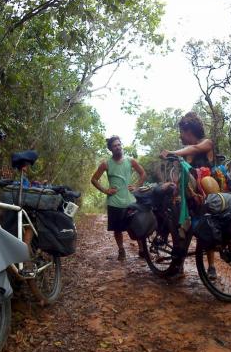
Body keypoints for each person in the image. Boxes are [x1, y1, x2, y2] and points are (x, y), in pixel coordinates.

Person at [160, 112, 218, 279]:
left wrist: (172, 152)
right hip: (191, 199)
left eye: (182, 133)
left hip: (208, 195)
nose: (181, 136)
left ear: (189, 131)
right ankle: (180, 266)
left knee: (207, 229)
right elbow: (183, 175)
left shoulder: (206, 143)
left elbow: (194, 148)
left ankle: (212, 266)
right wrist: (174, 186)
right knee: (183, 228)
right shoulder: (187, 153)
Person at [91, 135, 147, 260]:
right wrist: (106, 190)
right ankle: (121, 251)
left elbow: (143, 174)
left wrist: (137, 187)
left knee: (136, 226)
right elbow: (94, 179)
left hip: (130, 201)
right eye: (114, 146)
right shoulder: (106, 164)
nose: (117, 147)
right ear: (110, 149)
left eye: (119, 145)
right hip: (114, 202)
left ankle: (142, 249)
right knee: (117, 229)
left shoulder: (130, 161)